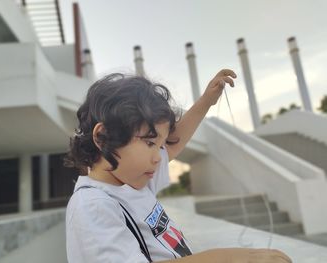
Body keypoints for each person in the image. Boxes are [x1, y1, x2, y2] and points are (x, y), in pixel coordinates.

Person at [65, 70, 292, 263]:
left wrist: (206, 101)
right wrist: (231, 258)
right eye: (150, 143)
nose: (158, 157)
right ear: (104, 137)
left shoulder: (133, 181)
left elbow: (174, 145)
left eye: (160, 145)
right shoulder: (92, 206)